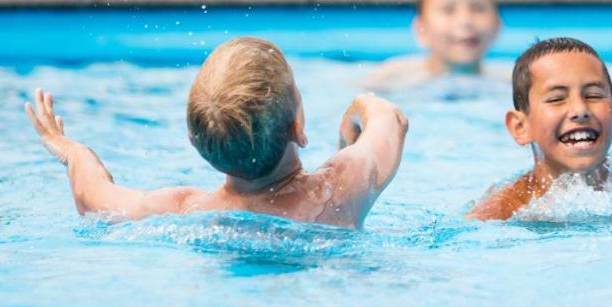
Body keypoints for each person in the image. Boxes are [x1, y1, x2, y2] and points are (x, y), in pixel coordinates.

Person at [26, 36, 408, 229]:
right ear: (299, 128)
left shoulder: (181, 210)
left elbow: (93, 198)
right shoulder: (341, 188)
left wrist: (70, 150)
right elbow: (390, 119)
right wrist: (360, 107)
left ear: (195, 141)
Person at [467, 36, 612, 221]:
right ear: (521, 127)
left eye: (593, 95)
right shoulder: (503, 212)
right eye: (556, 99)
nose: (580, 110)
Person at [365, 0, 501, 90]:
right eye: (449, 10)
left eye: (477, 8)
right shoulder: (391, 77)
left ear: (497, 26)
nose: (466, 21)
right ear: (421, 30)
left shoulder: (508, 81)